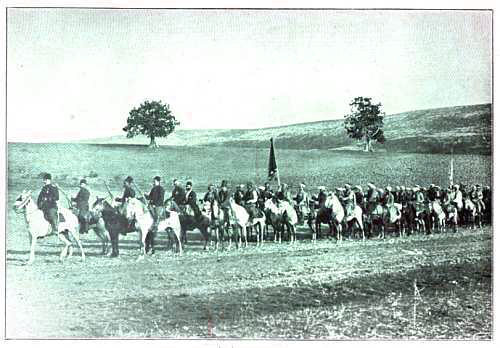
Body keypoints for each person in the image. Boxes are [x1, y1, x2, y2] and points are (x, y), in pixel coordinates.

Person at [144, 176, 165, 254]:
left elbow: (161, 199)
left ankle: (155, 225)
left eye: (155, 181)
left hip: (158, 206)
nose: (153, 182)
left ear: (158, 182)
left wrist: (154, 204)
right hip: (152, 206)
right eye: (153, 181)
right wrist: (145, 196)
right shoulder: (153, 189)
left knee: (156, 217)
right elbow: (150, 197)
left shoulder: (161, 189)